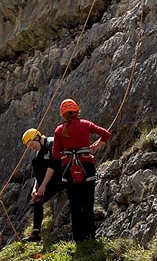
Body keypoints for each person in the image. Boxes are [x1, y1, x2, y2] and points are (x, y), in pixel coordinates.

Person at [51, 99, 111, 242]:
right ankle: (91, 237)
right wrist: (95, 146)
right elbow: (106, 134)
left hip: (68, 170)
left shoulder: (59, 130)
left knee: (75, 206)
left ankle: (78, 239)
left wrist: (68, 153)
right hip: (86, 166)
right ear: (77, 111)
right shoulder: (85, 124)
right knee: (88, 204)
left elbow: (55, 155)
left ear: (63, 115)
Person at [21, 127, 63, 242]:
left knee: (37, 163)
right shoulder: (40, 152)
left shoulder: (51, 143)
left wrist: (43, 186)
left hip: (63, 175)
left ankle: (36, 232)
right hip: (53, 179)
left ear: (37, 138)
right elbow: (38, 174)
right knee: (37, 200)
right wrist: (35, 188)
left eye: (31, 144)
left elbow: (53, 165)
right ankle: (36, 232)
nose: (32, 147)